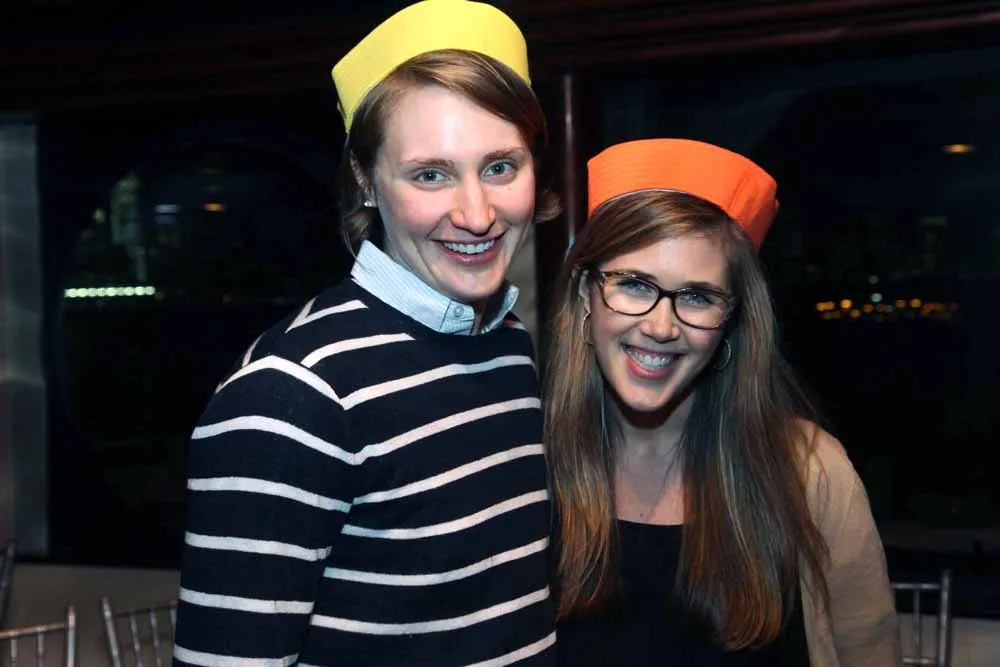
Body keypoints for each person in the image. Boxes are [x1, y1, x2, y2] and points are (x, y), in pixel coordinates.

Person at [172, 1, 560, 664]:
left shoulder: (508, 345)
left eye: (500, 166)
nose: (477, 214)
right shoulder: (292, 396)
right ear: (366, 181)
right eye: (430, 174)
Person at [544, 138, 900, 666]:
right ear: (584, 294)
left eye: (697, 296)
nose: (661, 326)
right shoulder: (521, 463)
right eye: (635, 285)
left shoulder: (810, 472)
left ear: (731, 318)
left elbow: (868, 652)